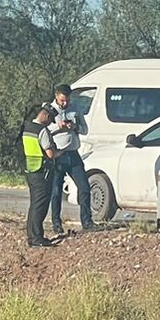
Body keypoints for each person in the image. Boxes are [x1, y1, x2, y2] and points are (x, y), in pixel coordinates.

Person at [45, 85, 96, 234]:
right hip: (58, 154)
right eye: (62, 100)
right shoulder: (49, 110)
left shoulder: (76, 108)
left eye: (67, 100)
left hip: (73, 154)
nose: (65, 103)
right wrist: (58, 127)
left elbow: (85, 130)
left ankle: (87, 221)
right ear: (56, 96)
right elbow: (43, 130)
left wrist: (74, 126)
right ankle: (56, 223)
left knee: (85, 187)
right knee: (56, 191)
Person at [21, 106, 55, 247]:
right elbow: (50, 153)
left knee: (34, 204)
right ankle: (36, 238)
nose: (50, 122)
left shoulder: (27, 127)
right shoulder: (42, 131)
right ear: (46, 116)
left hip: (30, 169)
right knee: (40, 205)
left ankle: (32, 236)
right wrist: (60, 151)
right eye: (50, 119)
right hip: (42, 172)